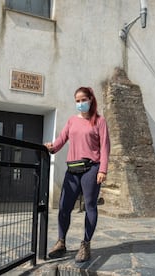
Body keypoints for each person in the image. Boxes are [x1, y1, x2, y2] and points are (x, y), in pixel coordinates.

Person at [44, 86, 110, 263]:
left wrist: (103, 169)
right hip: (72, 169)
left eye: (83, 100)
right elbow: (60, 141)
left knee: (90, 206)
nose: (80, 103)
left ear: (90, 99)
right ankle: (61, 242)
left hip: (92, 168)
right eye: (77, 101)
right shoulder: (72, 121)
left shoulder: (99, 121)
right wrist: (51, 147)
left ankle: (86, 244)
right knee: (64, 206)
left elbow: (104, 147)